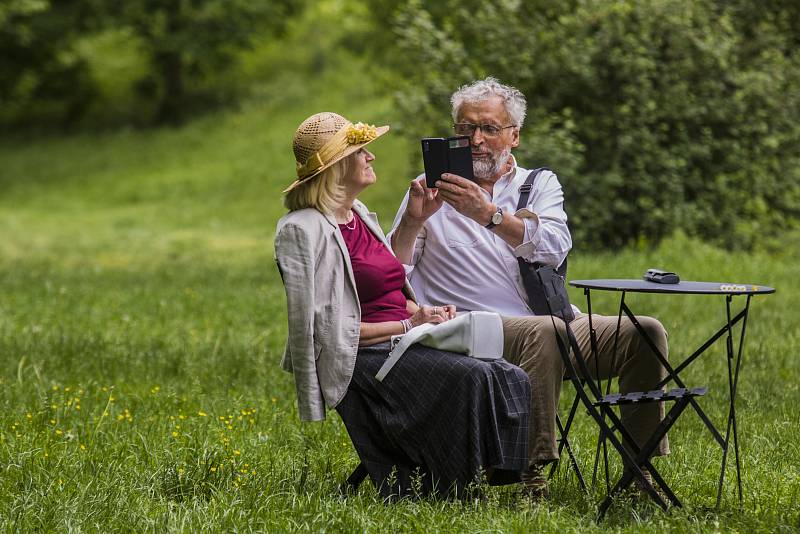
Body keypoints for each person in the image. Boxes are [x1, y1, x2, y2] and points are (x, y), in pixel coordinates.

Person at [389, 77, 669, 499]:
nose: (476, 140)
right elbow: (393, 274)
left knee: (644, 331)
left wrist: (490, 216)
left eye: (489, 128)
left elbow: (554, 248)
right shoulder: (429, 190)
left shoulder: (539, 184)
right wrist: (413, 221)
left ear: (514, 136)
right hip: (468, 330)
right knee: (546, 331)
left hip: (552, 326)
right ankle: (531, 476)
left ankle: (638, 472)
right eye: (465, 130)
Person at [274, 111, 531, 499]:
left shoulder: (357, 215)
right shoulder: (304, 229)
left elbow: (388, 285)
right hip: (363, 356)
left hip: (401, 341)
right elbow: (328, 334)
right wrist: (409, 327)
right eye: (362, 151)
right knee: (472, 375)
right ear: (338, 167)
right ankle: (452, 489)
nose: (371, 157)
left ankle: (491, 478)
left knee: (509, 374)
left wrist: (421, 312)